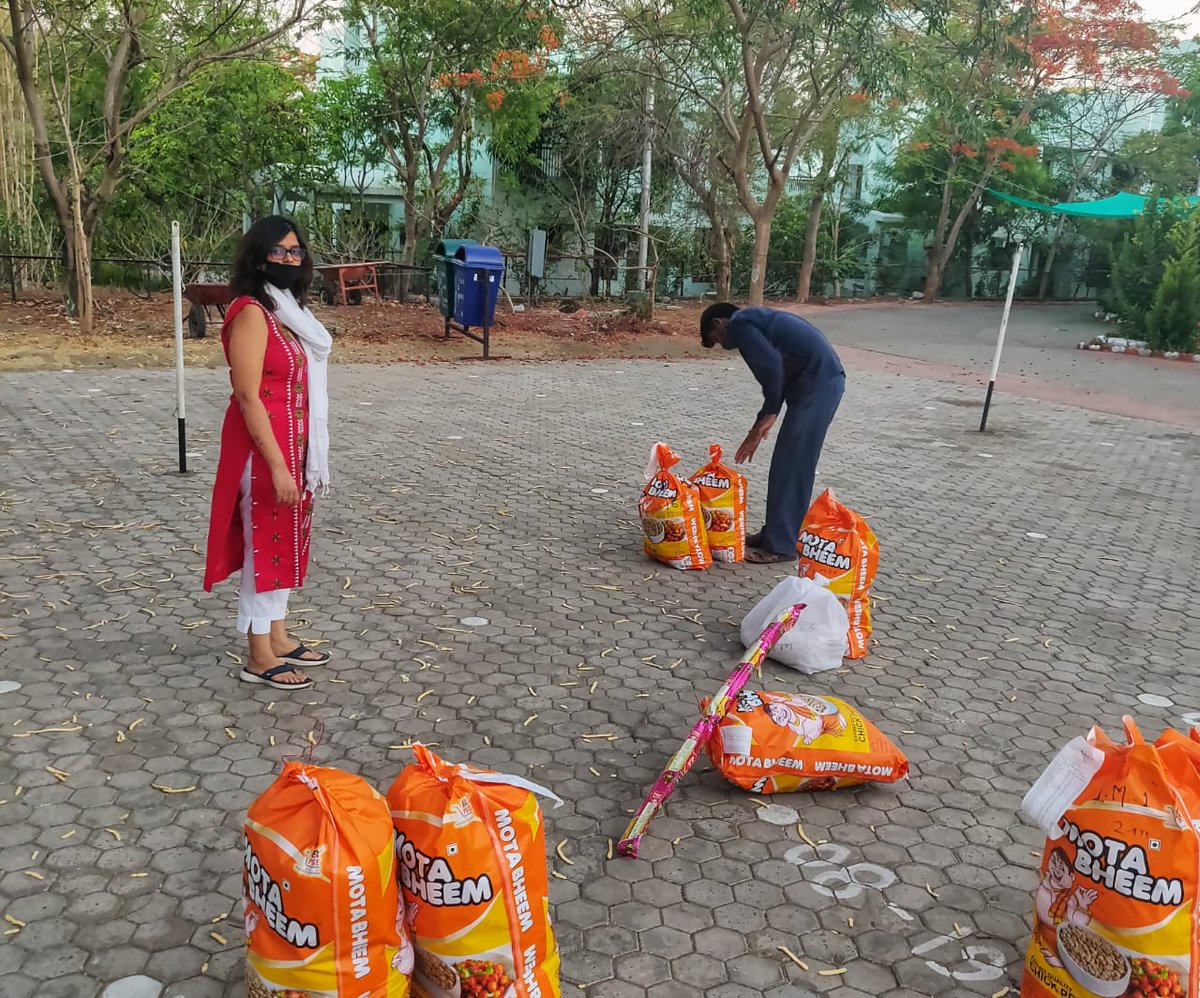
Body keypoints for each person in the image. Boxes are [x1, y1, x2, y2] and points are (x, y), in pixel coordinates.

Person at [204, 216, 333, 690]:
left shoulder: (287, 314)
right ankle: (258, 654)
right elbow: (247, 395)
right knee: (267, 548)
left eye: (295, 252)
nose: (288, 259)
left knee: (285, 545)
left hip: (293, 450)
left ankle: (276, 634)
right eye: (278, 252)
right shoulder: (252, 313)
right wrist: (278, 464)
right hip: (262, 455)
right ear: (258, 258)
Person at [700, 303, 845, 564]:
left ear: (719, 322)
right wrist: (764, 418)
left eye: (717, 339)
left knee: (793, 465)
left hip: (819, 384)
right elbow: (774, 370)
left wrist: (769, 413)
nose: (722, 344)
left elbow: (772, 367)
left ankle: (782, 545)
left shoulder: (740, 324)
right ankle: (776, 534)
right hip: (813, 384)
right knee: (786, 464)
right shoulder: (755, 320)